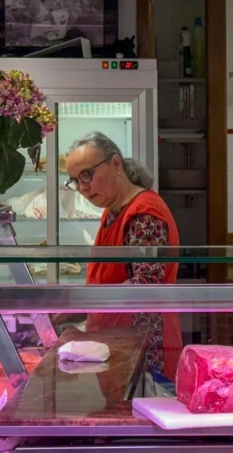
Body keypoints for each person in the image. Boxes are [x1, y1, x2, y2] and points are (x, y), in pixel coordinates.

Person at [65, 132, 182, 379]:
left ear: (116, 164)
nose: (83, 187)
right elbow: (113, 280)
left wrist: (85, 307)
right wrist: (76, 308)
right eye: (75, 181)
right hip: (117, 344)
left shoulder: (143, 214)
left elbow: (145, 285)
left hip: (144, 353)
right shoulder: (112, 211)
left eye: (87, 175)